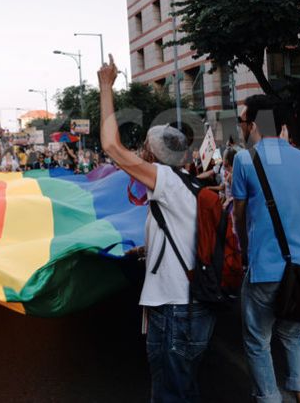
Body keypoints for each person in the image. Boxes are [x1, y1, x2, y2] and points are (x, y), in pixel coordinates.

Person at [98, 55, 214, 402]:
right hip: (178, 306)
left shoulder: (166, 180)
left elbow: (111, 147)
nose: (139, 153)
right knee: (178, 391)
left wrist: (106, 86)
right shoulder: (182, 185)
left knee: (170, 394)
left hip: (176, 309)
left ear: (157, 154)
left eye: (144, 147)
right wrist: (147, 251)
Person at [232, 95, 300, 403]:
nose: (241, 128)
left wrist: (243, 247)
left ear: (253, 124)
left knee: (258, 340)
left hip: (267, 265)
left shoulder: (245, 159)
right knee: (293, 334)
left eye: (242, 122)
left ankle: (270, 399)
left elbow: (239, 214)